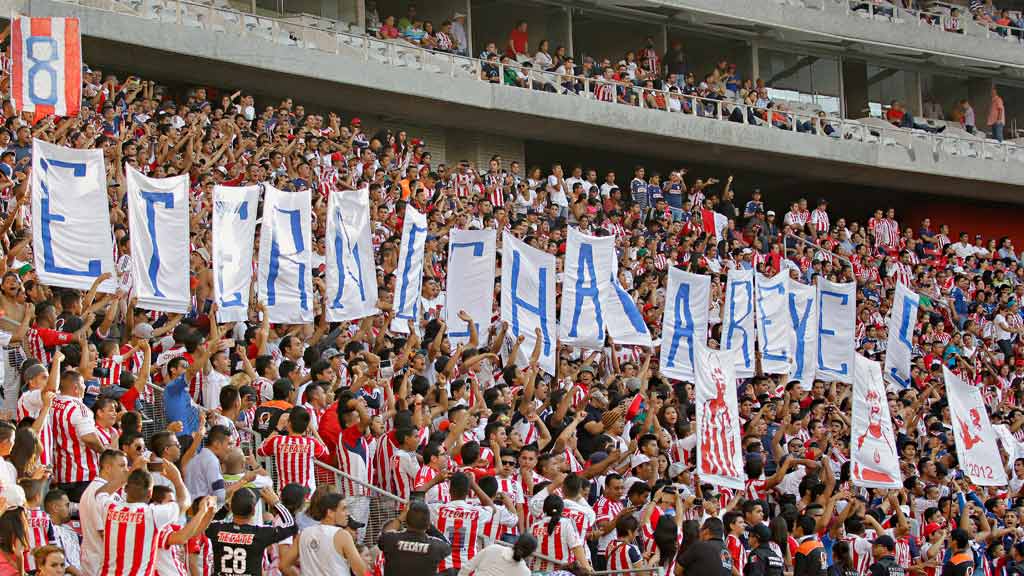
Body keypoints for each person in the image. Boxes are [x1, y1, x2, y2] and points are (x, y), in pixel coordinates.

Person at [205, 487, 297, 576]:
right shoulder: (261, 534)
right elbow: (291, 525)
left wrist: (225, 507)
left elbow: (205, 519)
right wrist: (276, 503)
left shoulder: (216, 529)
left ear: (231, 509)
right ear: (253, 511)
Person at [280, 492, 369, 576]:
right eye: (343, 509)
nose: (347, 513)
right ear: (330, 513)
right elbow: (361, 571)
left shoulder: (303, 534)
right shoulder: (342, 535)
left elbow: (283, 565)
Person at [377, 500, 451, 575]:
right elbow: (448, 546)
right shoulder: (438, 546)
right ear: (428, 524)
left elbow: (385, 534)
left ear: (406, 521)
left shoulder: (391, 540)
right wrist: (429, 525)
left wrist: (401, 517)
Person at [459, 533, 536, 576]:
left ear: (515, 543)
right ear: (529, 554)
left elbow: (466, 568)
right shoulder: (525, 573)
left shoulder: (493, 549)